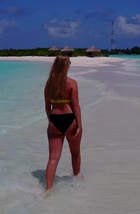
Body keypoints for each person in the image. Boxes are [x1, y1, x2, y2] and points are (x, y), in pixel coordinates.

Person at [43, 55, 83, 192]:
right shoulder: (72, 83)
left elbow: (47, 107)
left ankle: (48, 189)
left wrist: (51, 121)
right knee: (75, 152)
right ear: (66, 66)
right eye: (69, 62)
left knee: (53, 158)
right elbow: (76, 106)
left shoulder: (49, 84)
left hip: (54, 120)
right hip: (70, 119)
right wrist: (79, 125)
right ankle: (77, 178)